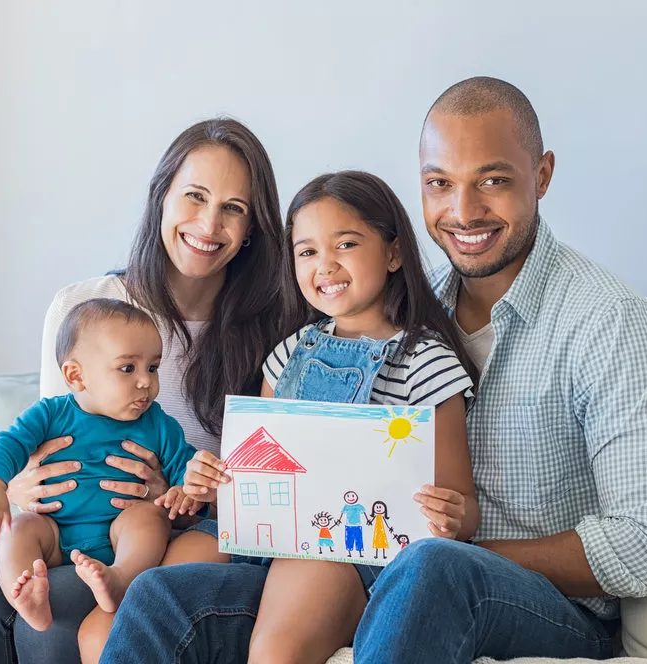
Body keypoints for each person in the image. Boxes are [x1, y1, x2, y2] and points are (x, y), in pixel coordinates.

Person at [352, 77, 647, 662]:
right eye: (440, 184)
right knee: (175, 594)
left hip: (557, 612)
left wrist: (462, 556)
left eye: (492, 180)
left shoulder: (608, 321)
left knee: (435, 568)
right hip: (397, 579)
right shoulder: (403, 314)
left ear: (541, 176)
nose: (463, 212)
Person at [0, 117, 289, 664]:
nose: (209, 223)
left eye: (233, 208)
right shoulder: (88, 305)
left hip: (176, 528)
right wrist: (15, 487)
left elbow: (262, 471)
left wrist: (179, 490)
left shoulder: (273, 324)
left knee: (53, 628)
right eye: (194, 196)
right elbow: (54, 433)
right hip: (73, 515)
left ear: (253, 227)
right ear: (161, 196)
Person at [137, 170, 480, 663]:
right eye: (307, 251)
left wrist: (452, 516)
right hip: (265, 539)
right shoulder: (287, 355)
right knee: (158, 589)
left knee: (277, 650)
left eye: (345, 244)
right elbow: (253, 473)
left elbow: (463, 510)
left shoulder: (425, 363)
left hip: (350, 553)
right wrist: (211, 485)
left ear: (393, 252)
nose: (326, 266)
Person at [0, 299, 202, 631]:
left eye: (153, 367)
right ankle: (27, 594)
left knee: (149, 517)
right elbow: (10, 443)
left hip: (121, 535)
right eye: (128, 368)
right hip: (55, 535)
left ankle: (120, 579)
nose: (146, 381)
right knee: (18, 529)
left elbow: (184, 472)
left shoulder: (159, 424)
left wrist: (185, 491)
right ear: (76, 376)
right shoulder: (50, 414)